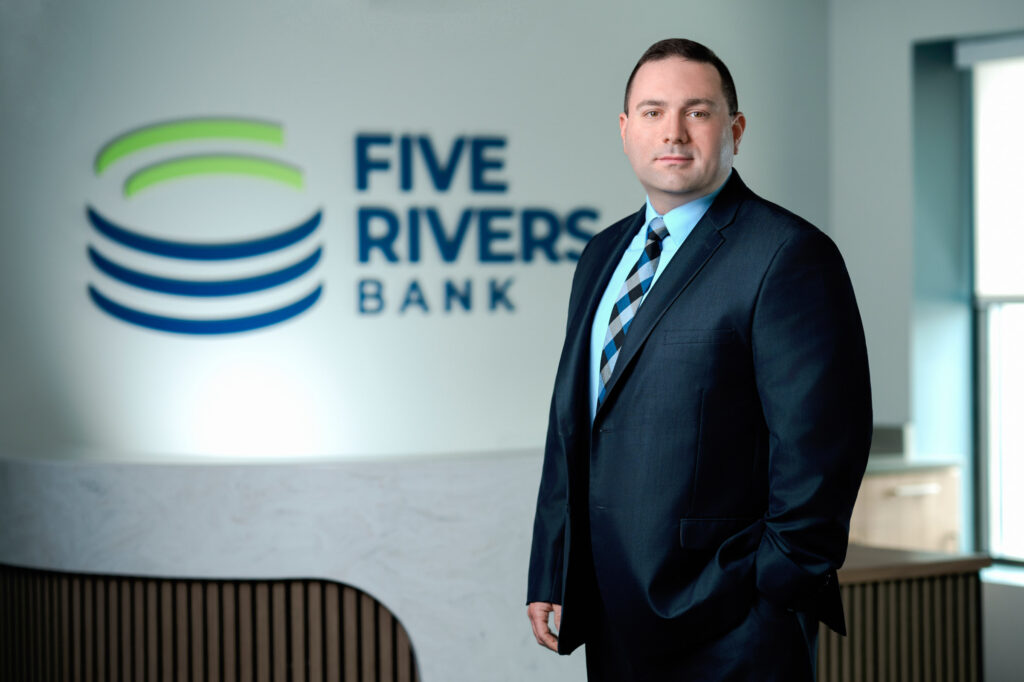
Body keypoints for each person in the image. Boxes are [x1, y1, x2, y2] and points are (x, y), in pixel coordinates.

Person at [526, 38, 872, 681]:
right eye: (653, 112)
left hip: (734, 628)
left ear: (734, 129)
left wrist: (769, 588)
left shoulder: (788, 254)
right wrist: (553, 564)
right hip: (610, 614)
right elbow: (574, 425)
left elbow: (822, 456)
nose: (674, 132)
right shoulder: (601, 256)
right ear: (625, 131)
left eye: (699, 111)